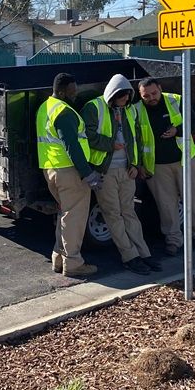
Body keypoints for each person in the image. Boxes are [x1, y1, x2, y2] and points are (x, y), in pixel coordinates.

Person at [82, 74, 160, 275]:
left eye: (128, 97)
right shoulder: (94, 107)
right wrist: (110, 145)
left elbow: (136, 139)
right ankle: (130, 256)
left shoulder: (129, 110)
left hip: (126, 170)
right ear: (113, 95)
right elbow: (86, 136)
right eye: (123, 97)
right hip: (105, 172)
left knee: (129, 213)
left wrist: (135, 163)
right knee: (113, 215)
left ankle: (144, 254)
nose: (126, 101)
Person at [133, 77, 195, 256]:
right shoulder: (136, 110)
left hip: (185, 160)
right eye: (146, 96)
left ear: (160, 88)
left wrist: (178, 130)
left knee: (192, 200)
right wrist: (139, 165)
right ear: (140, 95)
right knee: (166, 206)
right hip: (158, 166)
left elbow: (194, 123)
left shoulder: (175, 100)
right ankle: (173, 240)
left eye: (154, 93)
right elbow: (135, 140)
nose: (151, 98)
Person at [36, 72, 100, 278]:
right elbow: (72, 146)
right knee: (74, 218)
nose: (76, 95)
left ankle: (59, 258)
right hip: (69, 172)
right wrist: (88, 174)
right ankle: (73, 263)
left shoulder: (46, 107)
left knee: (64, 214)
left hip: (51, 168)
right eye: (72, 92)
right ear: (62, 91)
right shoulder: (65, 112)